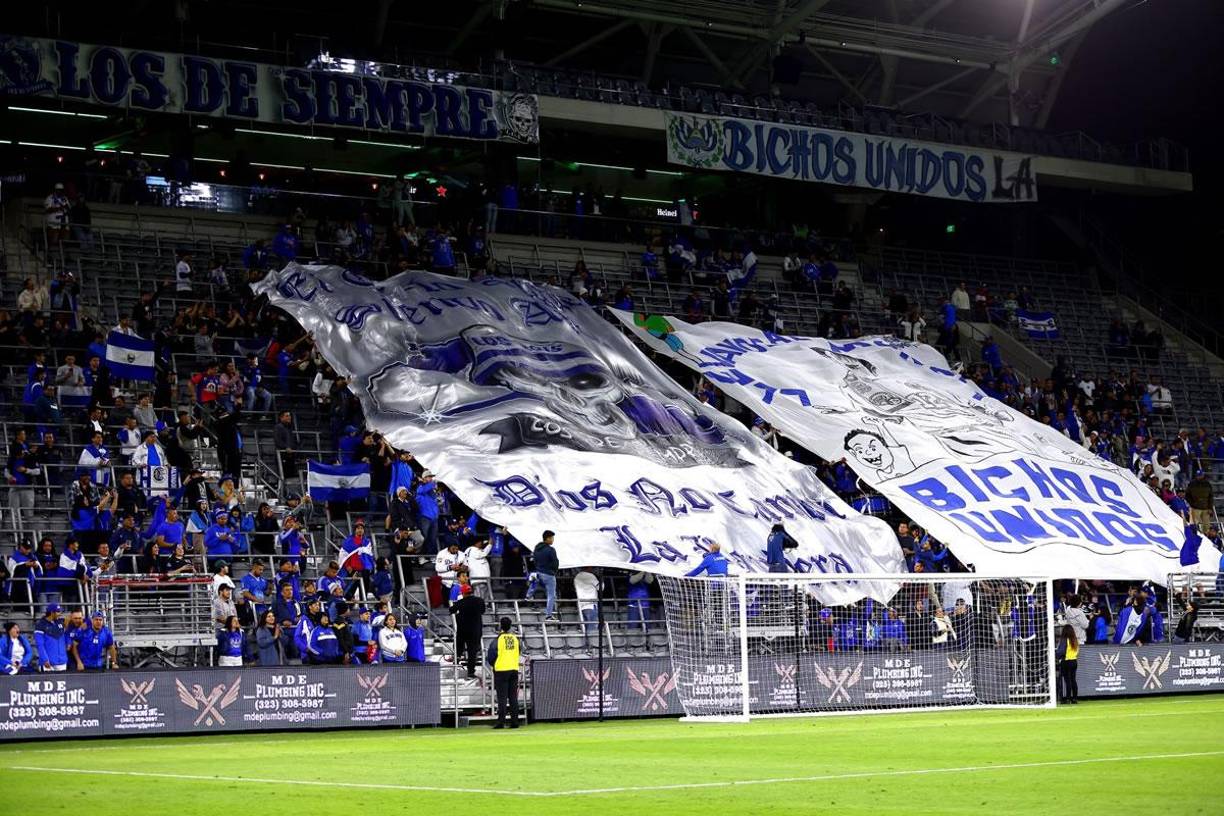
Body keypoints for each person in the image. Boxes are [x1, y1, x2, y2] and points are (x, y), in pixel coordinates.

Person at [486, 617, 522, 729]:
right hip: (514, 669)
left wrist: (495, 665)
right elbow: (519, 651)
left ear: (500, 626)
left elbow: (491, 656)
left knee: (502, 697)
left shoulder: (498, 640)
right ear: (510, 626)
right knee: (513, 697)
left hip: (501, 669)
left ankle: (501, 722)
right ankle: (515, 722)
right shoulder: (515, 639)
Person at [451, 584, 486, 679]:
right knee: (472, 653)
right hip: (475, 631)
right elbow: (483, 611)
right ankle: (470, 672)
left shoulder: (460, 602)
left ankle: (455, 664)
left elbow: (451, 610)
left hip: (462, 631)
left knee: (459, 649)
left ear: (462, 593)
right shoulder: (480, 601)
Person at [34, 603, 69, 672]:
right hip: (48, 664)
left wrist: (69, 642)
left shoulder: (60, 622)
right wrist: (45, 659)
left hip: (62, 662)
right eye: (58, 612)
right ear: (52, 612)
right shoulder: (40, 625)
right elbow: (40, 644)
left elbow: (65, 635)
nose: (60, 614)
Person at [533, 530, 559, 620]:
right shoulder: (551, 550)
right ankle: (548, 615)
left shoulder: (536, 549)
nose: (553, 540)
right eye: (552, 538)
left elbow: (535, 561)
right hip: (549, 574)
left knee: (538, 590)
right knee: (551, 595)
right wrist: (553, 571)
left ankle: (535, 605)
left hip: (539, 572)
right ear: (547, 538)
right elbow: (555, 563)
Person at [573, 567, 600, 643]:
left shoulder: (577, 577)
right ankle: (592, 646)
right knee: (592, 629)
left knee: (585, 628)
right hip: (591, 605)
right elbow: (601, 587)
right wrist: (600, 578)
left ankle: (587, 646)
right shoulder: (591, 576)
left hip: (582, 605)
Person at [1056, 624, 1079, 704]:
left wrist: (1056, 655)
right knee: (1073, 680)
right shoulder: (1075, 640)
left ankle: (1068, 698)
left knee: (1067, 681)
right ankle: (1075, 698)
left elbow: (1061, 651)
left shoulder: (1064, 639)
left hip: (1066, 661)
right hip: (1074, 661)